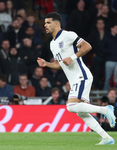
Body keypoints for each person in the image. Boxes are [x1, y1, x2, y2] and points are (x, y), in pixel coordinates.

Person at [37, 12, 116, 145]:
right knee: (81, 112)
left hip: (82, 76)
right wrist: (47, 64)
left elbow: (87, 46)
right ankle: (107, 138)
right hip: (74, 79)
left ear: (56, 24)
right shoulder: (52, 44)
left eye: (48, 22)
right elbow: (60, 65)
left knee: (71, 106)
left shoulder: (68, 35)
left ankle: (106, 109)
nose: (45, 25)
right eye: (45, 23)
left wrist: (73, 57)